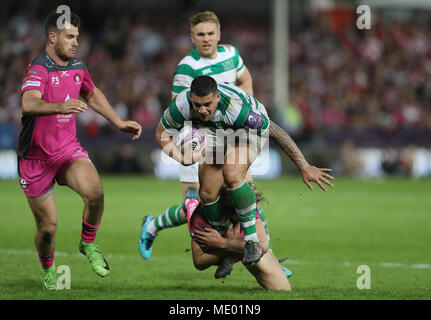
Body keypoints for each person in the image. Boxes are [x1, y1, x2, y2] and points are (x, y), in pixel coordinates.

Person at [139, 11, 288, 274]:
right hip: (198, 143)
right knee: (196, 208)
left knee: (245, 193)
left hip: (229, 138)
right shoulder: (187, 67)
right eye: (200, 34)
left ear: (219, 34)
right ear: (192, 37)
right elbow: (181, 110)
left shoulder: (231, 54)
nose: (206, 39)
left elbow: (245, 79)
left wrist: (244, 107)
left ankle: (266, 254)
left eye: (210, 33)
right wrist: (194, 147)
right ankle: (153, 225)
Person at [18, 11, 142, 290]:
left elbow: (92, 92)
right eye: (69, 36)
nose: (76, 42)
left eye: (77, 36)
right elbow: (29, 103)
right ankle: (49, 270)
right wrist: (60, 106)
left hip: (67, 151)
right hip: (35, 159)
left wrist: (118, 121)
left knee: (95, 194)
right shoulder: (38, 68)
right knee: (48, 228)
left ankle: (87, 244)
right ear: (52, 37)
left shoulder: (78, 66)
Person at [154, 76, 334, 265]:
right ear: (191, 97)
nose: (201, 109)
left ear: (217, 98)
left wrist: (303, 166)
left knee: (232, 173)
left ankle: (252, 241)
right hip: (217, 132)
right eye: (197, 105)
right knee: (207, 193)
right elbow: (161, 135)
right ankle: (227, 247)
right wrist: (183, 158)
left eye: (207, 104)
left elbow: (276, 132)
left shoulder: (237, 110)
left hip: (246, 132)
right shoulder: (181, 106)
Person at [186, 186, 291, 291]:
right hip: (220, 230)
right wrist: (232, 246)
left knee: (282, 289)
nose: (249, 214)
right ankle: (190, 205)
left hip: (230, 240)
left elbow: (263, 245)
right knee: (248, 246)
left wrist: (224, 244)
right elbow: (199, 262)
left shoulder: (246, 206)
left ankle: (231, 256)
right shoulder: (201, 220)